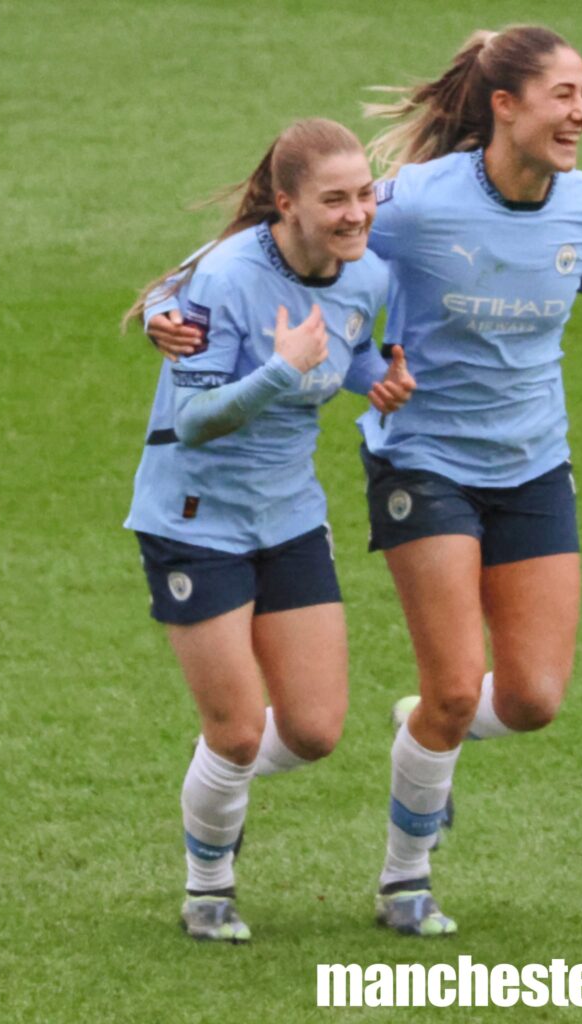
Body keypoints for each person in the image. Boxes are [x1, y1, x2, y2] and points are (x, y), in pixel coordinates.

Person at [149, 25, 582, 939]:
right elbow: (282, 236)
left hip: (535, 463)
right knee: (447, 687)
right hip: (422, 459)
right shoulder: (415, 203)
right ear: (504, 106)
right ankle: (404, 882)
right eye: (565, 95)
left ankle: (413, 735)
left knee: (530, 701)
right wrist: (169, 303)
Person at [124, 117, 414, 944]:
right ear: (285, 204)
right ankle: (208, 886)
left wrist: (375, 382)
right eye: (335, 200)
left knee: (316, 730)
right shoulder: (224, 279)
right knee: (240, 727)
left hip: (288, 516)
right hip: (194, 520)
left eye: (363, 195)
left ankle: (218, 781)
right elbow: (197, 420)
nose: (357, 213)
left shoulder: (367, 274)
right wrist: (279, 371)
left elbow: (346, 349)